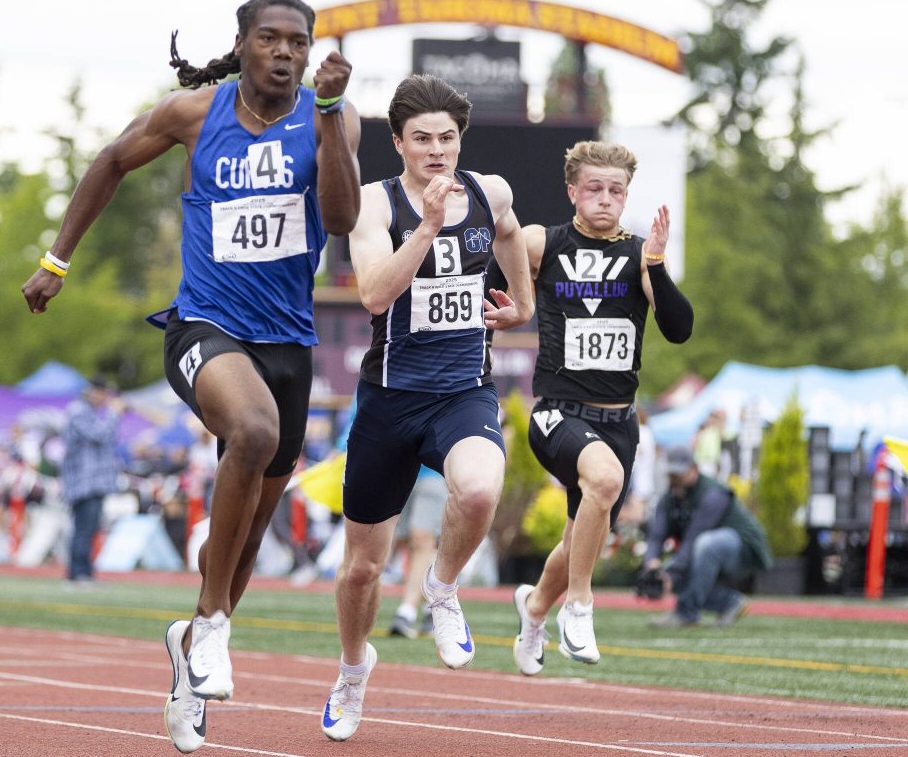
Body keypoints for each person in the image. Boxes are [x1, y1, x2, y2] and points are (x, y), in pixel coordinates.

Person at [20, 0, 360, 754]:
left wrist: (335, 114)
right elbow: (110, 160)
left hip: (288, 344)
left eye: (298, 43)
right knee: (254, 429)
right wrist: (56, 259)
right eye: (271, 38)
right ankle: (210, 626)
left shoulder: (328, 116)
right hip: (203, 326)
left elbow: (339, 220)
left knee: (245, 540)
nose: (285, 53)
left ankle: (193, 647)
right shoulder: (193, 114)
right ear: (242, 43)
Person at [319, 73, 534, 742]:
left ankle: (441, 589)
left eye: (447, 138)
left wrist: (523, 302)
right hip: (389, 402)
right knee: (360, 569)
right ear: (398, 143)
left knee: (476, 495)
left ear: (459, 139)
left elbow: (509, 230)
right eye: (422, 139)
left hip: (462, 391)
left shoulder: (488, 190)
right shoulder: (375, 206)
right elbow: (376, 295)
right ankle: (353, 670)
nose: (437, 151)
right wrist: (429, 227)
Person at [505, 141, 694, 676]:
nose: (605, 199)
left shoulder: (639, 255)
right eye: (594, 188)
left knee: (578, 538)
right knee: (605, 482)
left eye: (616, 190)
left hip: (619, 422)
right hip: (558, 413)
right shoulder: (543, 242)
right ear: (572, 191)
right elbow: (496, 253)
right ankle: (580, 608)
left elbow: (679, 330)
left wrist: (655, 264)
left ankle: (535, 607)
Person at [642, 445, 773, 627]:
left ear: (694, 469)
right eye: (672, 474)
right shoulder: (668, 499)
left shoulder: (713, 494)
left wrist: (671, 575)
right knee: (671, 569)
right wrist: (652, 566)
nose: (675, 478)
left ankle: (686, 613)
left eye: (680, 473)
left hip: (743, 549)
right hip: (703, 551)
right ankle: (730, 602)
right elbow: (657, 535)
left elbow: (694, 538)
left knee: (704, 545)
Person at [60, 376, 123, 587]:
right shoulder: (78, 411)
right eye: (104, 394)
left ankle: (84, 571)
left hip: (93, 482)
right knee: (83, 527)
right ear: (94, 392)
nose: (106, 399)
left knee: (90, 527)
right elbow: (99, 435)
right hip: (83, 482)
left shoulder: (88, 412)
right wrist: (114, 414)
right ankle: (77, 573)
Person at [387, 467, 448, 638]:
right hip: (402, 473)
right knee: (409, 541)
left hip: (435, 473)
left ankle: (406, 612)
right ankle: (432, 608)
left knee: (422, 539)